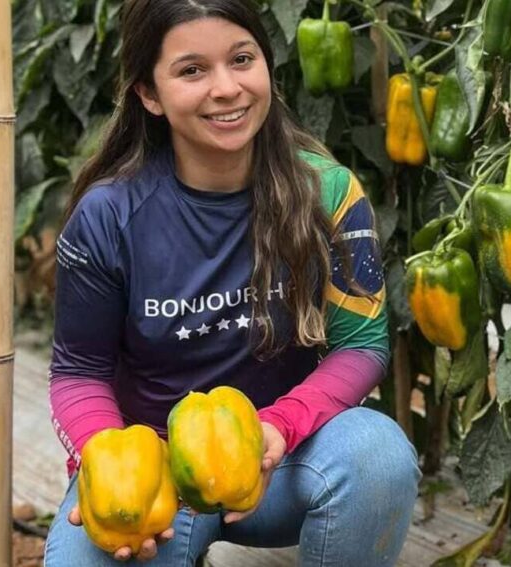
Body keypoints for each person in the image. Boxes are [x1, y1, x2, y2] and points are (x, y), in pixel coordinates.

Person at [42, 0, 420, 564]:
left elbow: (361, 346)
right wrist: (110, 466)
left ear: (267, 65)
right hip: (157, 481)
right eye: (192, 70)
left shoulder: (328, 193)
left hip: (282, 460)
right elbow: (79, 373)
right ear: (149, 94)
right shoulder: (109, 215)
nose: (227, 89)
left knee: (376, 454)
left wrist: (279, 427)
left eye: (242, 59)